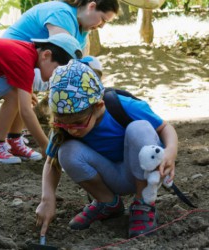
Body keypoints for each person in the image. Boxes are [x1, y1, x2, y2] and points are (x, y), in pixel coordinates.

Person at [35, 59, 178, 238]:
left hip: (140, 173)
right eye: (64, 123)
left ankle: (143, 203)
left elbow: (165, 128)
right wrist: (47, 199)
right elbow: (51, 162)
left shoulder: (123, 106)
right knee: (66, 151)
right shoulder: (64, 126)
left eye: (78, 123)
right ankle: (108, 203)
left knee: (139, 128)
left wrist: (170, 152)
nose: (71, 129)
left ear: (98, 106)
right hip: (110, 176)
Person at [0, 33, 82, 164]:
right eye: (56, 70)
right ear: (46, 55)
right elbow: (26, 111)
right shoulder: (24, 60)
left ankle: (14, 141)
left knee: (22, 96)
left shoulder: (29, 56)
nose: (56, 76)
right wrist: (46, 146)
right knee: (14, 97)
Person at [2, 0, 119, 91]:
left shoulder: (83, 28)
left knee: (93, 64)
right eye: (102, 19)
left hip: (35, 63)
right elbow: (63, 63)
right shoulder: (62, 14)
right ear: (91, 7)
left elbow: (80, 62)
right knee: (64, 76)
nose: (102, 26)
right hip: (10, 61)